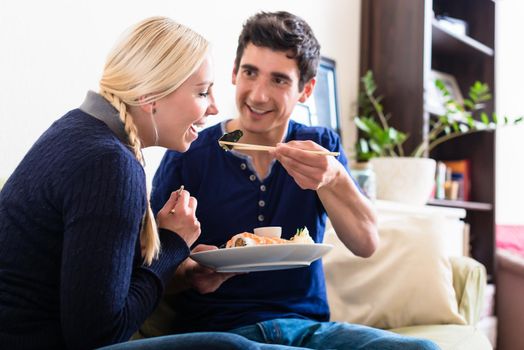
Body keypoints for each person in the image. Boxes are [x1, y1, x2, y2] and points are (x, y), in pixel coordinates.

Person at [0, 16, 304, 350]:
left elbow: (95, 286)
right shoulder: (110, 164)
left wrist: (181, 268)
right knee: (233, 348)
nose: (215, 107)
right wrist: (174, 243)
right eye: (203, 92)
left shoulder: (78, 129)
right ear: (151, 96)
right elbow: (99, 335)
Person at [150, 11, 440, 350]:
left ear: (306, 89)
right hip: (222, 332)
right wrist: (189, 273)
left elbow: (366, 243)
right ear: (233, 73)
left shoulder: (322, 147)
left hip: (308, 331)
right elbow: (150, 267)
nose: (258, 95)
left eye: (279, 80)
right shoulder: (191, 150)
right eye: (250, 73)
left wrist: (333, 179)